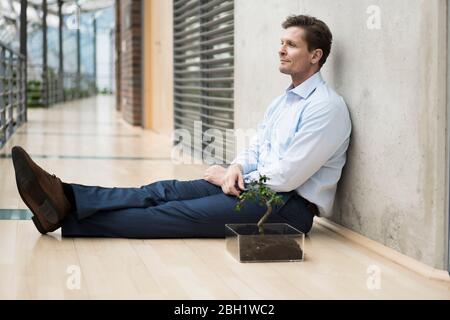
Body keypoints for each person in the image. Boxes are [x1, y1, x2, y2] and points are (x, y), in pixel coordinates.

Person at [11, 15, 351, 238]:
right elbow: (257, 147)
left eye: (291, 45)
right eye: (281, 42)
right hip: (251, 186)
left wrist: (231, 177)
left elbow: (289, 175)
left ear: (316, 55)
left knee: (176, 214)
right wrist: (234, 167)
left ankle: (65, 217)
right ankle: (65, 193)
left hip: (286, 208)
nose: (281, 50)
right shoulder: (283, 101)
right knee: (164, 190)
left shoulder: (326, 108)